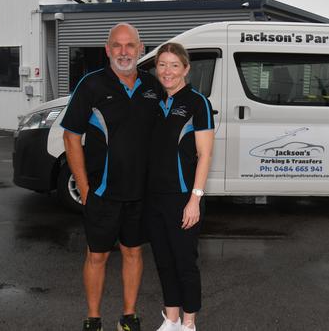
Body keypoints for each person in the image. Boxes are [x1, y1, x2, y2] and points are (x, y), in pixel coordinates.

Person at [61, 23, 160, 331]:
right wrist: (85, 188)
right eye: (117, 46)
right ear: (107, 50)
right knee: (97, 256)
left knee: (134, 252)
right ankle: (93, 319)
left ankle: (129, 317)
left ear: (141, 48)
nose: (123, 52)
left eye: (130, 45)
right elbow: (70, 137)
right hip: (102, 193)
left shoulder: (153, 87)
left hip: (140, 193)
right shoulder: (91, 85)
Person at [145, 43, 215, 331]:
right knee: (163, 260)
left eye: (174, 65)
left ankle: (188, 323)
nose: (167, 71)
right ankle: (171, 318)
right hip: (153, 197)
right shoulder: (153, 102)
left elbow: (205, 154)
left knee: (185, 263)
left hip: (183, 197)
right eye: (162, 64)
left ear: (186, 68)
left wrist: (195, 199)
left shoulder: (198, 103)